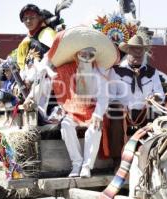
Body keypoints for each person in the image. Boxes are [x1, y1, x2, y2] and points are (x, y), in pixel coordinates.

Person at [48, 27, 119, 178]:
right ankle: (77, 163)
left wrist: (98, 115)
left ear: (94, 56)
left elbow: (103, 97)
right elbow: (47, 76)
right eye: (83, 54)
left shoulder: (99, 73)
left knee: (95, 128)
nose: (86, 57)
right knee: (66, 125)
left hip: (93, 111)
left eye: (90, 54)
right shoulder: (65, 70)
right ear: (77, 55)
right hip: (72, 111)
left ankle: (87, 166)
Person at [108, 34, 164, 165]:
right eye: (134, 50)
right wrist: (119, 105)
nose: (138, 53)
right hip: (124, 112)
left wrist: (154, 97)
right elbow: (111, 96)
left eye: (141, 51)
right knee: (115, 119)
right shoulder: (116, 71)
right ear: (128, 51)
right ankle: (117, 162)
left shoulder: (153, 72)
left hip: (145, 111)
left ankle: (151, 160)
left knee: (157, 122)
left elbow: (160, 93)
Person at [17, 4, 56, 81]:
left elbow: (56, 57)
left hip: (48, 83)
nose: (28, 21)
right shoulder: (26, 41)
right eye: (25, 18)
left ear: (39, 18)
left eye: (32, 18)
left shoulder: (48, 33)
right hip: (31, 84)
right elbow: (22, 65)